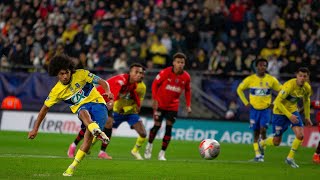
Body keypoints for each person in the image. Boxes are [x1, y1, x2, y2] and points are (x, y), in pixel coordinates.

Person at [28, 54, 113, 176]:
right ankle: (71, 167)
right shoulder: (56, 91)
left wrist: (108, 91)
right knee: (83, 112)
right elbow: (44, 109)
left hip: (98, 105)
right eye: (61, 74)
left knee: (87, 141)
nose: (65, 76)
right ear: (56, 74)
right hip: (83, 110)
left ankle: (94, 133)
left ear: (70, 70)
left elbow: (102, 82)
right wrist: (35, 129)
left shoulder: (81, 74)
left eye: (67, 72)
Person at [67, 63, 146, 160]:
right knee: (89, 126)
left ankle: (102, 152)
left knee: (109, 123)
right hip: (95, 100)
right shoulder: (121, 81)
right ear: (130, 73)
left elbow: (133, 93)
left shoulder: (133, 84)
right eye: (136, 72)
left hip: (106, 101)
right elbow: (113, 97)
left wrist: (138, 104)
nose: (139, 75)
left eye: (141, 73)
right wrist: (107, 107)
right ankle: (73, 146)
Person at [261, 67, 313, 168]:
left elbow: (307, 101)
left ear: (307, 78)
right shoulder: (289, 86)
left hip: (293, 111)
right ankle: (262, 142)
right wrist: (289, 116)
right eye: (300, 76)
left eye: (305, 76)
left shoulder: (307, 88)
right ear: (296, 76)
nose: (302, 78)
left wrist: (307, 116)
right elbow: (278, 102)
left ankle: (289, 158)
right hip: (279, 112)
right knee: (276, 142)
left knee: (300, 135)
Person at [144, 52, 192, 161]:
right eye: (178, 62)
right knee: (157, 125)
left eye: (182, 62)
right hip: (160, 104)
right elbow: (155, 84)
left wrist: (189, 105)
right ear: (174, 63)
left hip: (173, 106)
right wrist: (155, 99)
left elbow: (188, 90)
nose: (180, 64)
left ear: (184, 64)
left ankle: (162, 153)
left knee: (169, 128)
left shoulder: (186, 77)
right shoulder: (166, 72)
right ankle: (149, 146)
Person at [237, 58, 282, 162]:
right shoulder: (250, 79)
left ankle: (262, 151)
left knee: (263, 130)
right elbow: (239, 89)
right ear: (256, 66)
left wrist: (275, 103)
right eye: (261, 65)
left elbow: (282, 91)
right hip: (254, 110)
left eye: (265, 65)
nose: (263, 67)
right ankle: (258, 156)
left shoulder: (271, 79)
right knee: (256, 132)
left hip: (265, 110)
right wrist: (246, 102)